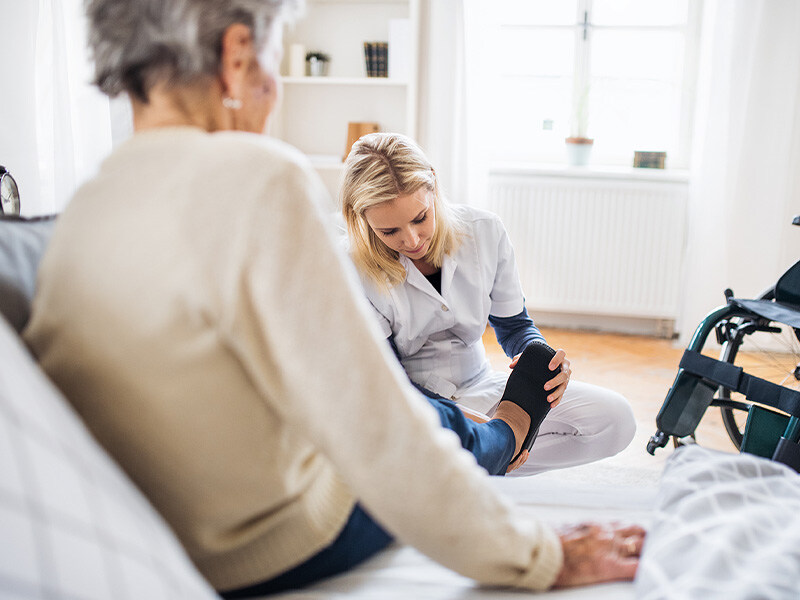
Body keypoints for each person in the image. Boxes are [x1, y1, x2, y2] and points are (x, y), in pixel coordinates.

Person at [23, 0, 644, 596]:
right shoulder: (259, 176)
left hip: (170, 537)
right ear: (238, 56)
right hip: (283, 543)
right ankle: (507, 440)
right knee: (428, 420)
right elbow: (378, 424)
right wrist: (540, 554)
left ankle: (500, 438)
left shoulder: (83, 212)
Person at [339, 132, 637, 476]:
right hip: (410, 404)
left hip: (484, 386)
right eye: (390, 231)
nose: (412, 239)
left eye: (420, 218)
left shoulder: (484, 231)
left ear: (433, 186)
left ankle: (483, 464)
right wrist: (481, 429)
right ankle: (483, 459)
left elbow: (515, 327)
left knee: (616, 420)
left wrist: (539, 360)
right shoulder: (348, 266)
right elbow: (387, 379)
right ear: (361, 219)